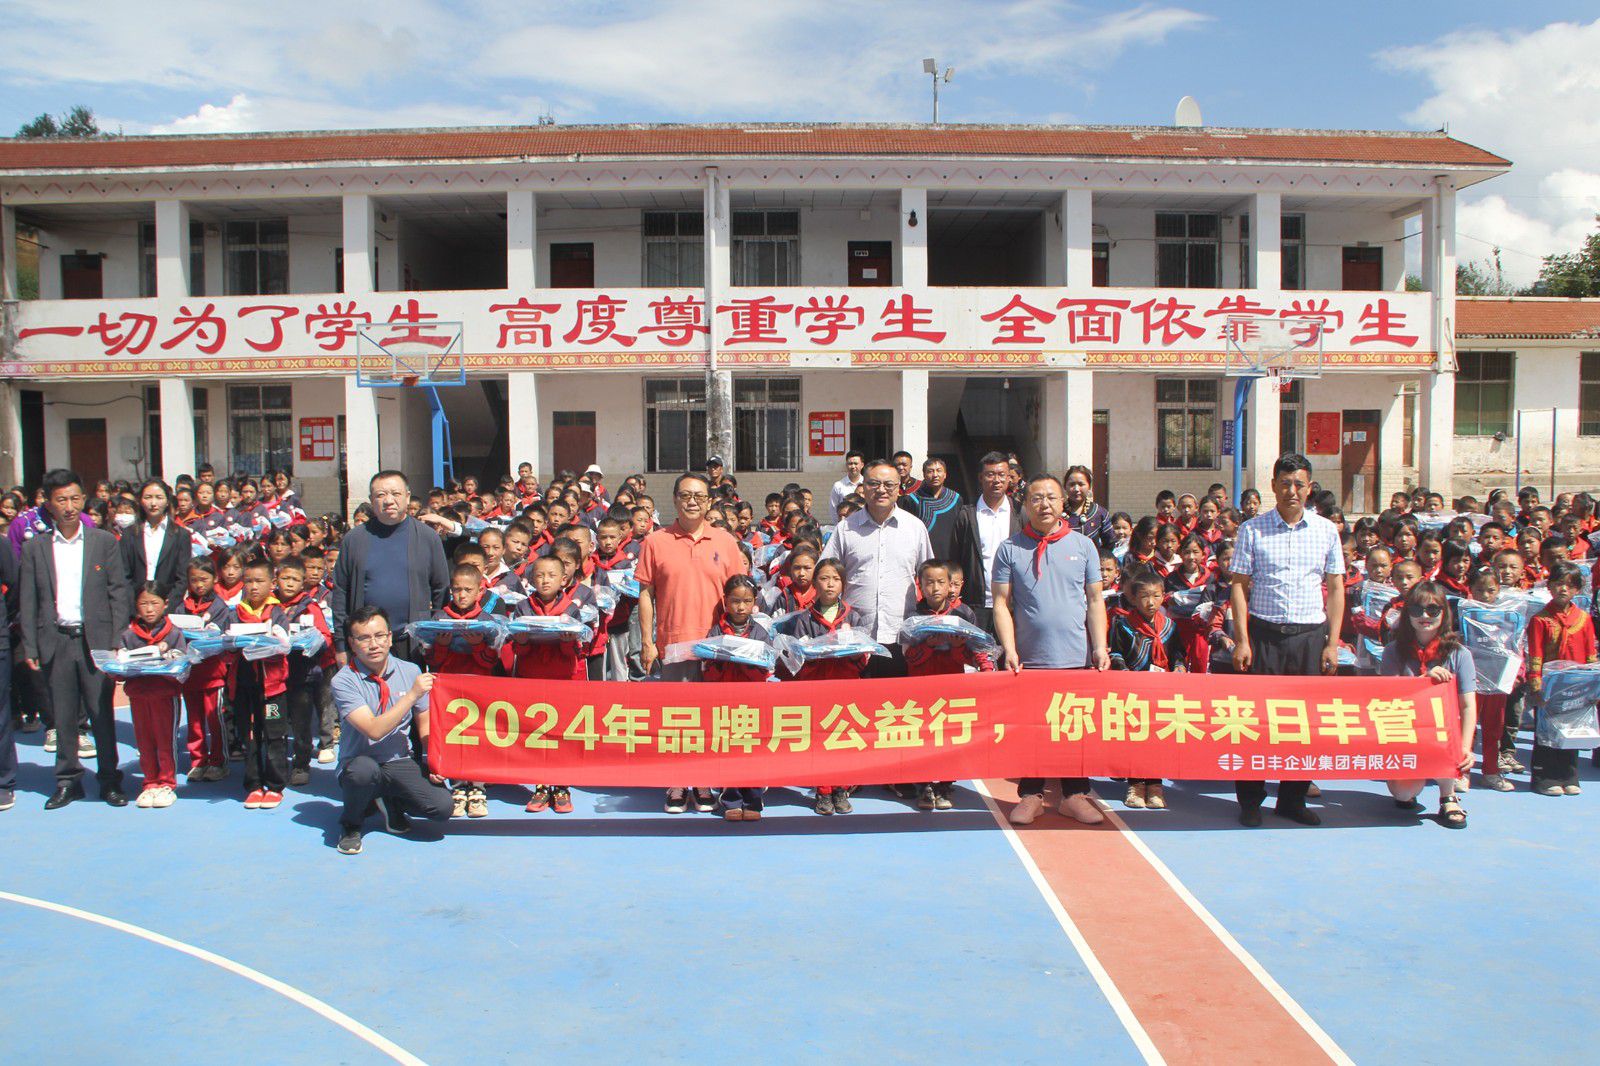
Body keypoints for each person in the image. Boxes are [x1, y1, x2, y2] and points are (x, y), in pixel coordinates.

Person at [1228, 454, 1345, 828]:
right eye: (1285, 483)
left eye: (1299, 484)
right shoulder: (1252, 530)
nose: (1292, 490)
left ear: (1309, 487)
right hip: (1264, 636)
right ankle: (1250, 800)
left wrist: (1332, 643)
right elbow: (1239, 587)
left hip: (1310, 637)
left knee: (1303, 724)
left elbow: (1337, 588)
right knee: (1255, 723)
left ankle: (1292, 799)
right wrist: (1242, 640)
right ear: (1274, 485)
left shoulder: (1326, 530)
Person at [993, 473, 1110, 826]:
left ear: (1063, 504)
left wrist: (1100, 647)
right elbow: (1000, 602)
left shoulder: (1083, 546)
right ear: (1025, 505)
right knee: (1032, 730)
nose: (1044, 504)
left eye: (1051, 498)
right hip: (1030, 660)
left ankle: (1074, 795)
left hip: (1075, 657)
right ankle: (1031, 795)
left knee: (1074, 730)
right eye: (1036, 498)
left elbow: (1094, 600)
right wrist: (1009, 648)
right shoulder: (1010, 548)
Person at [20, 469, 131, 810]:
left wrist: (116, 640)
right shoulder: (36, 548)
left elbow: (118, 592)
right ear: (48, 504)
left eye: (74, 498)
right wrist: (31, 645)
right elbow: (28, 600)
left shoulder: (103, 542)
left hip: (95, 642)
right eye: (61, 500)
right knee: (64, 716)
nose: (69, 506)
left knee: (101, 715)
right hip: (56, 639)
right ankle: (68, 781)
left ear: (83, 499)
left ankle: (110, 780)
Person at [331, 606, 453, 855]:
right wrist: (411, 695)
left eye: (379, 636)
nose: (373, 644)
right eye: (364, 638)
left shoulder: (410, 670)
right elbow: (374, 731)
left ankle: (389, 799)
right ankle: (351, 825)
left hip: (398, 760)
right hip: (360, 761)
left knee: (442, 808)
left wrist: (433, 758)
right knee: (363, 773)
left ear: (389, 637)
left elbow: (424, 718)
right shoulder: (343, 681)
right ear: (352, 644)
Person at [820, 459, 932, 677]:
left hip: (902, 637)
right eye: (873, 484)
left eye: (889, 484)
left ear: (899, 489)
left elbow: (929, 576)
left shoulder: (915, 528)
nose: (881, 490)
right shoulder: (845, 529)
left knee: (895, 706)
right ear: (863, 489)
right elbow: (826, 574)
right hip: (854, 638)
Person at [1381, 581, 1477, 828]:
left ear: (1444, 613)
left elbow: (1468, 706)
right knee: (1403, 793)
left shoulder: (1459, 654)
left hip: (1443, 734)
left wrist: (1465, 748)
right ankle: (1412, 784)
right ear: (1407, 614)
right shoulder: (1393, 651)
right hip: (1407, 732)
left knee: (1447, 732)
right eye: (1416, 610)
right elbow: (1388, 699)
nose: (1424, 616)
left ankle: (1448, 796)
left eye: (1433, 610)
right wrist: (1425, 682)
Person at [903, 558, 995, 810]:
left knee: (949, 736)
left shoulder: (963, 614)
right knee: (922, 736)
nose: (935, 588)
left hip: (953, 687)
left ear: (950, 585)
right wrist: (929, 645)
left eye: (941, 582)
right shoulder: (913, 615)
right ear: (920, 585)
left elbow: (975, 653)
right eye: (928, 582)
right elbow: (908, 656)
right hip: (920, 687)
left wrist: (958, 650)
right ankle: (924, 786)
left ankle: (944, 785)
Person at [331, 470, 449, 665]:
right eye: (381, 495)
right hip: (366, 643)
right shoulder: (355, 539)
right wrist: (341, 645)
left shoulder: (428, 537)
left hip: (412, 643)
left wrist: (435, 638)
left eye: (396, 493)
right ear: (371, 499)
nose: (389, 500)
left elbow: (441, 589)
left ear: (408, 497)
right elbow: (341, 592)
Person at [636, 473, 745, 681]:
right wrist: (646, 643)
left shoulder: (726, 542)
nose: (692, 502)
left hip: (719, 645)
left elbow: (740, 593)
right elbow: (645, 596)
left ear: (710, 502)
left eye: (699, 496)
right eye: (685, 495)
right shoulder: (655, 542)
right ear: (675, 499)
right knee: (680, 711)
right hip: (674, 647)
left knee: (719, 712)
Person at [1108, 565, 1187, 810]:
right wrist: (1125, 672)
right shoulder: (1123, 624)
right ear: (1132, 598)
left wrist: (1180, 667)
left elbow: (1178, 654)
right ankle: (1135, 783)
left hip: (1162, 692)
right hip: (1133, 691)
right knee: (1136, 737)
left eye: (1156, 596)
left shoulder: (1170, 627)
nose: (1150, 602)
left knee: (1159, 737)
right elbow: (1117, 653)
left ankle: (1155, 785)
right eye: (1144, 596)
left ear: (1163, 595)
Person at [1527, 562, 1597, 796]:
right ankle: (1544, 777)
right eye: (1558, 584)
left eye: (1569, 585)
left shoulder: (1584, 619)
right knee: (1546, 731)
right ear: (1550, 587)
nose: (1563, 589)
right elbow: (1535, 654)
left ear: (1577, 589)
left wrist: (1593, 686)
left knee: (1571, 729)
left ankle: (1569, 775)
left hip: (1577, 685)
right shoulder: (1540, 619)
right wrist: (1536, 684)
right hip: (1550, 685)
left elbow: (1590, 655)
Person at [120, 581, 191, 808]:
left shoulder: (174, 633)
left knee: (165, 741)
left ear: (165, 604)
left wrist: (171, 659)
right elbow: (119, 671)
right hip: (139, 695)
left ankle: (167, 783)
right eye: (143, 604)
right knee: (144, 740)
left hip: (164, 695)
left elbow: (182, 666)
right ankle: (149, 782)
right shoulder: (129, 635)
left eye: (154, 603)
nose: (149, 609)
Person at [231, 557, 291, 810]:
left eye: (259, 581)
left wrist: (275, 638)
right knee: (250, 735)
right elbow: (226, 643)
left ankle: (275, 785)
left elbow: (285, 645)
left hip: (272, 688)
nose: (253, 586)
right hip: (245, 686)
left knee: (274, 735)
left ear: (272, 583)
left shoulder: (277, 612)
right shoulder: (235, 612)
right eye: (248, 581)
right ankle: (254, 785)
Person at [178, 558, 231, 782]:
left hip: (213, 674)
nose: (199, 584)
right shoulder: (182, 607)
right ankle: (198, 760)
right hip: (190, 674)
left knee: (215, 720)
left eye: (204, 579)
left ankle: (218, 761)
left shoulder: (219, 607)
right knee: (194, 720)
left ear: (214, 578)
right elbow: (176, 634)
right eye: (194, 580)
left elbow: (219, 638)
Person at [120, 478, 190, 613]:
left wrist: (165, 608)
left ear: (168, 500)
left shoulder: (181, 535)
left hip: (167, 608)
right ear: (140, 500)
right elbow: (124, 575)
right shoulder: (130, 534)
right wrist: (134, 608)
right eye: (148, 497)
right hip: (135, 608)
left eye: (159, 497)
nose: (153, 503)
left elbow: (182, 579)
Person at [899, 457, 963, 558]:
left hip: (950, 557)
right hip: (923, 557)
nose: (935, 475)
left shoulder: (955, 499)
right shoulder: (912, 500)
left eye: (939, 471)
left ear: (945, 474)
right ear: (924, 475)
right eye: (930, 471)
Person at [1062, 465, 1110, 544]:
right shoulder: (1057, 512)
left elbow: (1110, 543)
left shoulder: (1100, 513)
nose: (1076, 489)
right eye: (1072, 484)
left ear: (1089, 486)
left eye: (1081, 484)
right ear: (1065, 486)